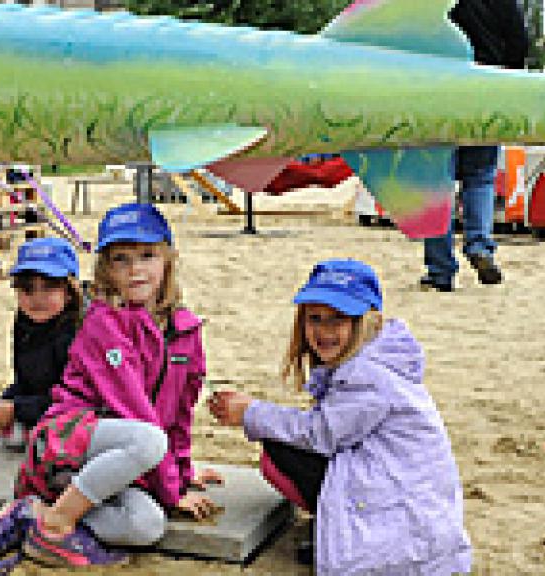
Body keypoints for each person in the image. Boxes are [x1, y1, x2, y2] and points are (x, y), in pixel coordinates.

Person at [0, 203, 221, 569]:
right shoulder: (105, 323)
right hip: (67, 441)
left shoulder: (185, 330)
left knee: (146, 524)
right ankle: (58, 523)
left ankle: (34, 516)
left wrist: (182, 476)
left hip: (115, 459)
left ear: (168, 257)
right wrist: (170, 488)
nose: (135, 269)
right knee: (149, 440)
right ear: (106, 268)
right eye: (121, 259)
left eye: (147, 255)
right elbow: (134, 411)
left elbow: (179, 415)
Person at [210, 259, 472, 574]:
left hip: (407, 525)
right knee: (286, 445)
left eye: (338, 319)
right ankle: (334, 523)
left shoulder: (369, 375)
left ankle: (348, 531)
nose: (324, 331)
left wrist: (251, 412)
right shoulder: (373, 359)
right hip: (407, 495)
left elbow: (321, 434)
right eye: (315, 319)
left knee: (280, 452)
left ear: (368, 322)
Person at [423, 0, 528, 291]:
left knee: (437, 183)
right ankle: (480, 247)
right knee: (480, 177)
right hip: (487, 91)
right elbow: (518, 42)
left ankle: (440, 271)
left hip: (441, 91)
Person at [0, 238, 84, 450]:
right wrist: (6, 401)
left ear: (69, 291)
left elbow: (77, 398)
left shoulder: (79, 333)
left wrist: (17, 409)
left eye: (49, 288)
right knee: (11, 437)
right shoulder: (25, 324)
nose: (38, 298)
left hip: (79, 413)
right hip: (43, 408)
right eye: (27, 289)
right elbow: (26, 380)